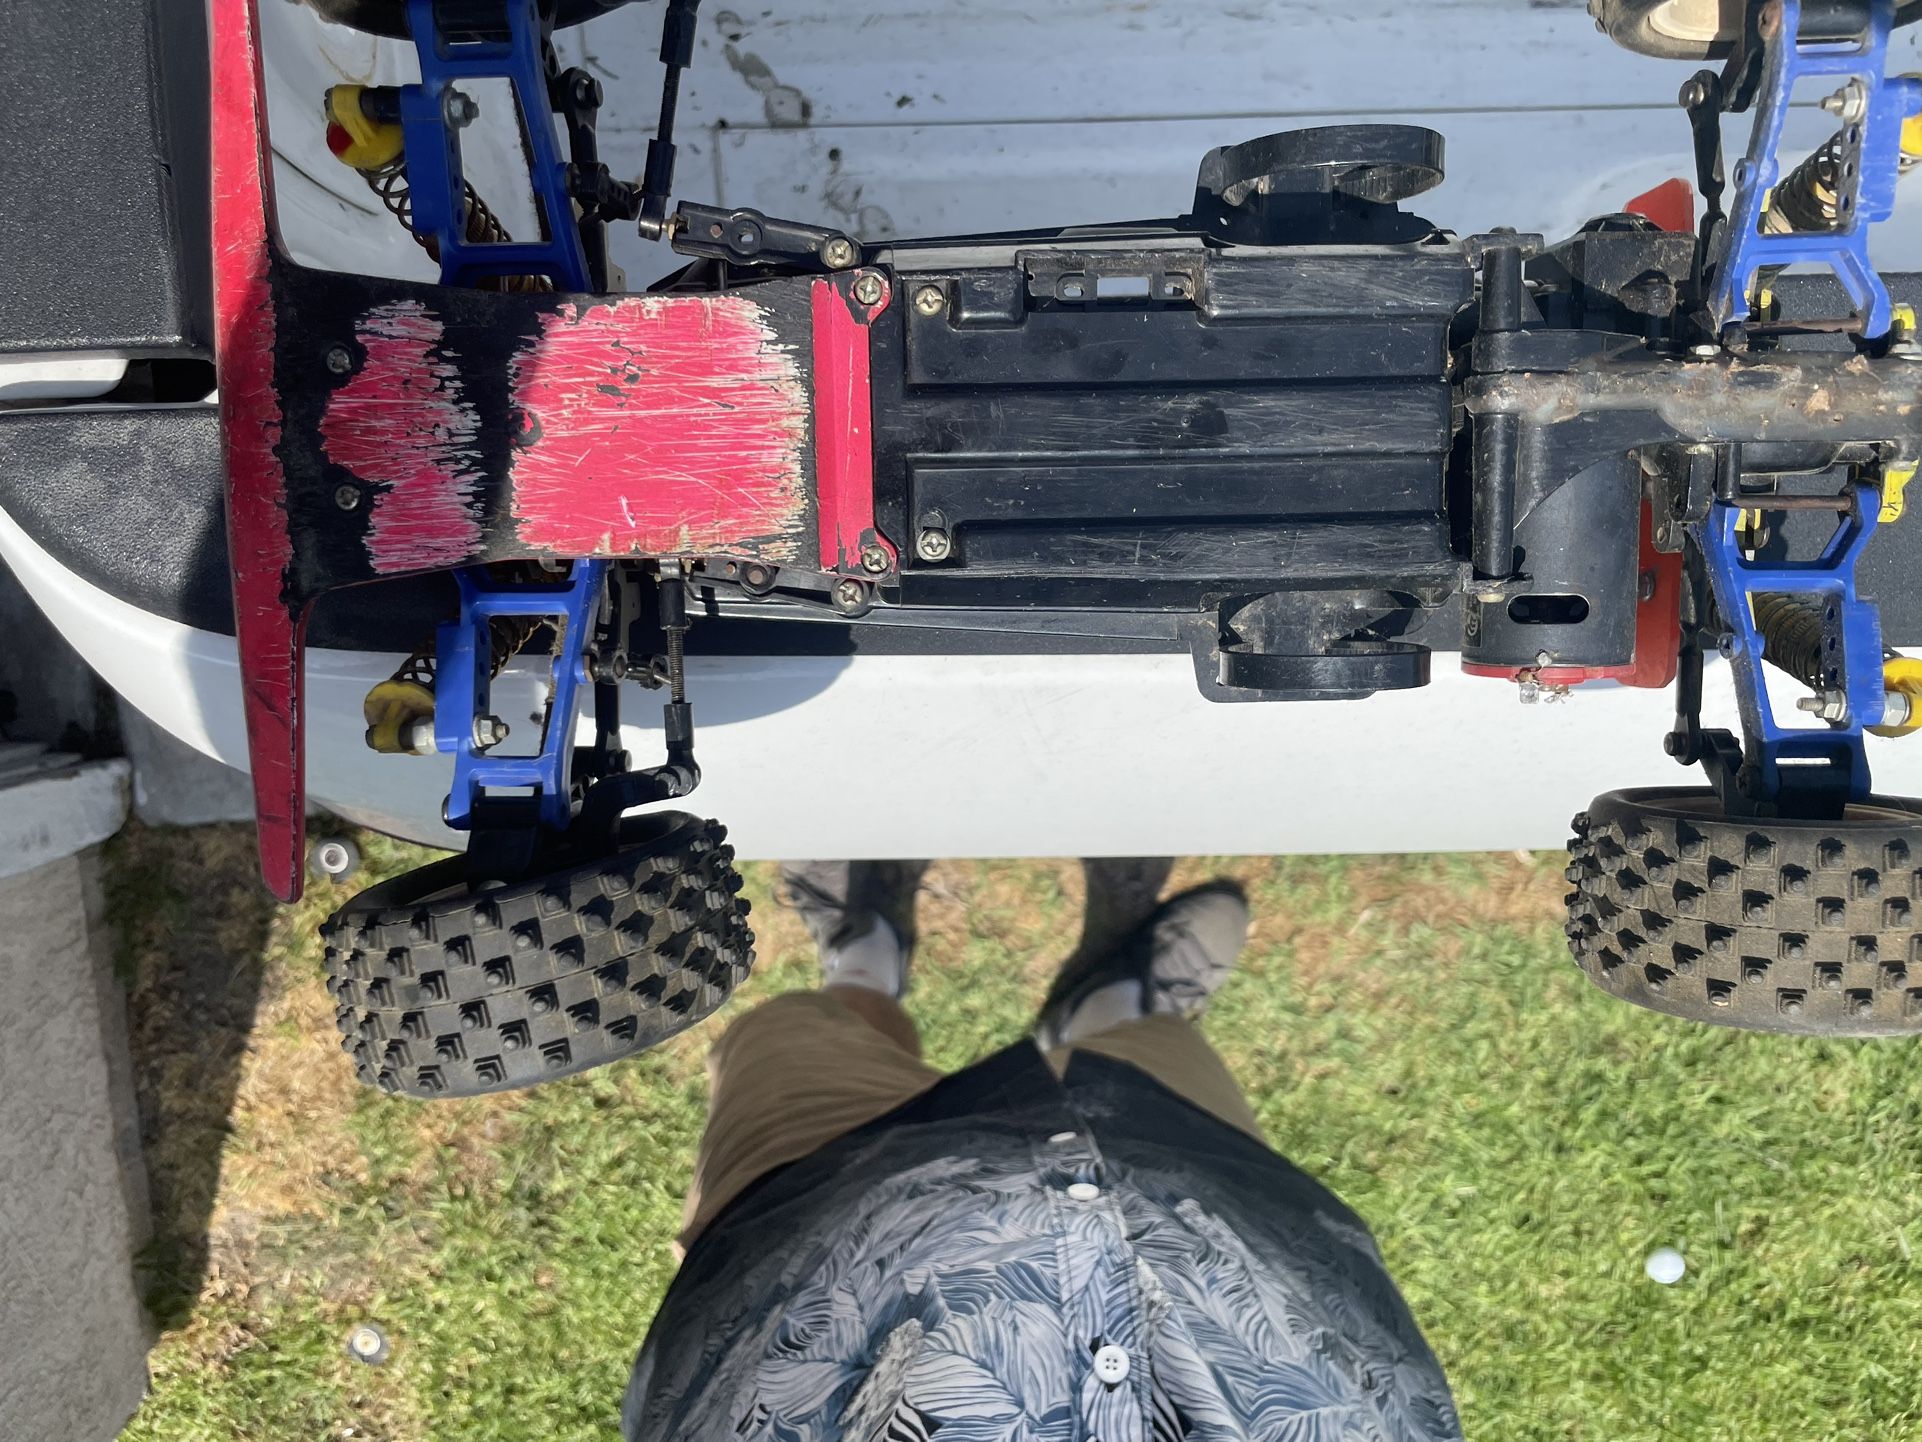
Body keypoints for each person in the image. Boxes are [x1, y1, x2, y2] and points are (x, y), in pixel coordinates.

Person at [623, 859, 1461, 1442]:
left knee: (798, 1039)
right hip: (1200, 1205)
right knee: (1152, 1054)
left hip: (810, 1230)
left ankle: (866, 948)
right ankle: (1113, 999)